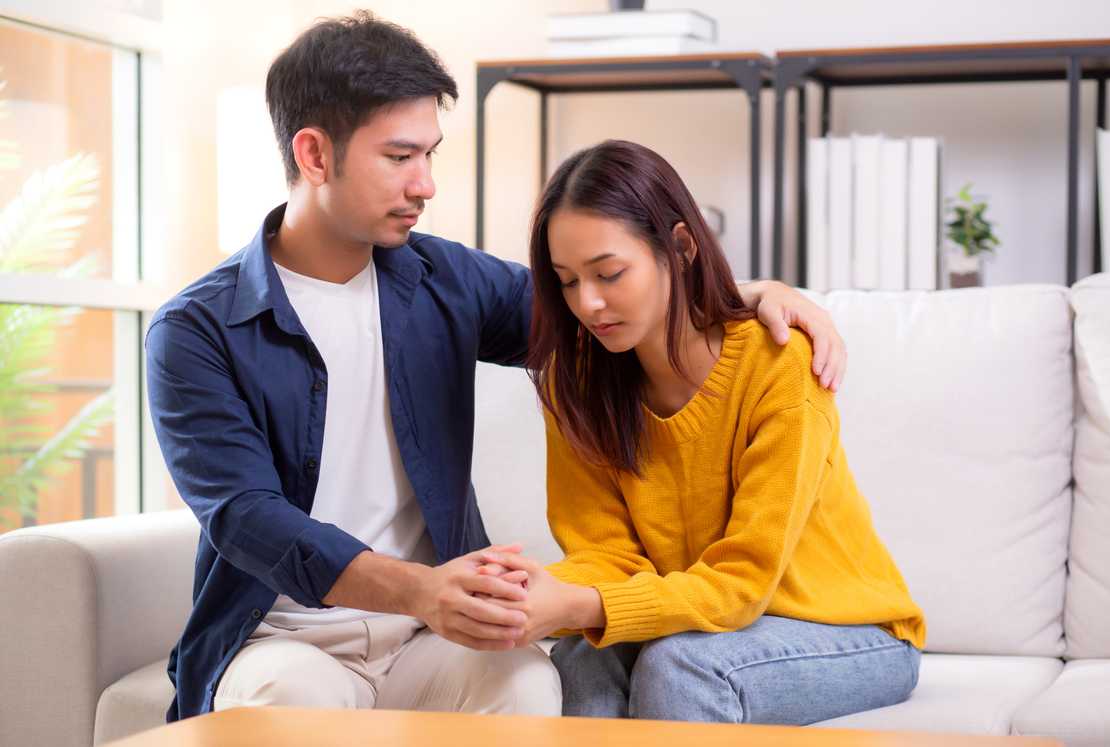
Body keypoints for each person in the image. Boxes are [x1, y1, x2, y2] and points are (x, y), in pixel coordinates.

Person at [145, 13, 847, 722]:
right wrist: (421, 587)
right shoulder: (196, 330)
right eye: (399, 157)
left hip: (431, 634)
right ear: (314, 154)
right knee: (294, 702)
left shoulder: (442, 278)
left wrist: (742, 294)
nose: (426, 184)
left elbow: (601, 308)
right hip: (280, 637)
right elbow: (248, 519)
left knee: (526, 682)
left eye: (431, 154)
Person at [478, 139, 925, 725]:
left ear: (681, 247)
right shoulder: (576, 380)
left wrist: (580, 601)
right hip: (707, 622)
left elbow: (742, 584)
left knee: (681, 665)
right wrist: (526, 591)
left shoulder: (780, 367)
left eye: (610, 274)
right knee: (583, 658)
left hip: (850, 629)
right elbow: (605, 556)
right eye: (566, 281)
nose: (588, 303)